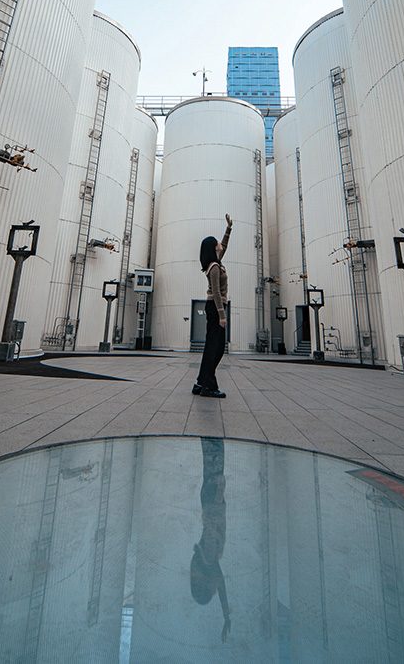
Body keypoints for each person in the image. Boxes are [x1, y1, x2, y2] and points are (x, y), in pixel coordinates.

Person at [190, 437, 231, 642]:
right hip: (210, 500)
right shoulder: (210, 561)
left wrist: (219, 493)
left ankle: (210, 433)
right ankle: (209, 434)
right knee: (212, 458)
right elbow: (221, 587)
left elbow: (214, 524)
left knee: (214, 458)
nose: (216, 590)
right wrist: (226, 616)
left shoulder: (209, 556)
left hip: (213, 500)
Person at [194, 214, 232, 398]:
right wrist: (222, 315)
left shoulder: (216, 262)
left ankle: (201, 381)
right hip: (215, 308)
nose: (220, 243)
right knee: (216, 348)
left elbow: (224, 246)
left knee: (213, 346)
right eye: (217, 242)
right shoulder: (215, 267)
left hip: (214, 308)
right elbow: (216, 292)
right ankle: (209, 386)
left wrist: (228, 229)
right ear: (212, 247)